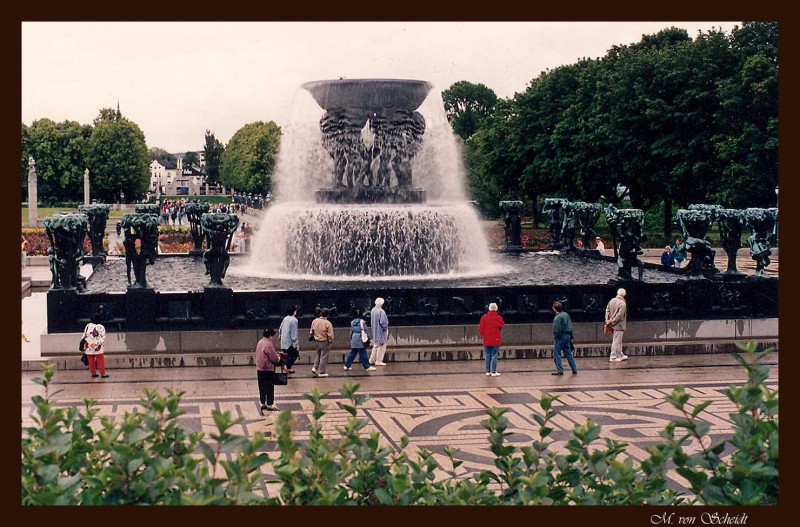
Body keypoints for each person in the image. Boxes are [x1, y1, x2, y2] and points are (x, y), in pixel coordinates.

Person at [255, 328, 284, 414]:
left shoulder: (260, 342)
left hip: (260, 367)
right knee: (270, 386)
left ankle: (262, 402)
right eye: (272, 336)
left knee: (262, 386)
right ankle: (270, 404)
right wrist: (278, 358)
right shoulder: (268, 344)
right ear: (270, 336)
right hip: (268, 368)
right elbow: (273, 358)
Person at [478, 302, 505, 377]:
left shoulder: (484, 317)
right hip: (495, 339)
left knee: (487, 355)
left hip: (487, 338)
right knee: (494, 355)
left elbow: (481, 329)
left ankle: (487, 371)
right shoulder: (498, 317)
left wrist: (484, 335)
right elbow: (501, 326)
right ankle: (493, 371)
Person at [551, 301, 577, 375]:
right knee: (568, 353)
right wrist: (571, 336)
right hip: (567, 336)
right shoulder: (566, 314)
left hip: (560, 336)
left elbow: (557, 330)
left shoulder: (557, 318)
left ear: (554, 309)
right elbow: (570, 325)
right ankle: (574, 369)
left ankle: (560, 370)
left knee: (557, 354)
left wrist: (556, 336)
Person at [605, 288, 629, 362]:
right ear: (624, 294)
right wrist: (613, 321)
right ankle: (613, 356)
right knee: (616, 341)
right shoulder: (623, 303)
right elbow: (620, 316)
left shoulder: (611, 300)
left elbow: (607, 310)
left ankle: (620, 355)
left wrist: (608, 320)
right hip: (619, 325)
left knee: (618, 340)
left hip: (611, 324)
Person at [83, 312, 109, 378]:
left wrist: (89, 343)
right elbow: (103, 337)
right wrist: (96, 343)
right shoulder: (101, 327)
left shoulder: (88, 326)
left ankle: (93, 373)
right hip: (98, 347)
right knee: (100, 360)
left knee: (90, 361)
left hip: (89, 346)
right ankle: (102, 373)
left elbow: (85, 335)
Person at [310, 308, 334, 377]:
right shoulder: (328, 323)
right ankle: (322, 372)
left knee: (318, 354)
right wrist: (330, 342)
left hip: (316, 340)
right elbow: (330, 334)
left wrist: (313, 337)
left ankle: (314, 367)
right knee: (324, 357)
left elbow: (311, 331)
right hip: (324, 341)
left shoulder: (314, 321)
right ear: (327, 315)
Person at [279, 306, 300, 373]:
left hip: (284, 339)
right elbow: (294, 332)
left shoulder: (285, 318)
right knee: (294, 354)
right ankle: (285, 365)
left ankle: (288, 367)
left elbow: (280, 328)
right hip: (290, 341)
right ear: (294, 312)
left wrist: (280, 335)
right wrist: (295, 342)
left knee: (287, 354)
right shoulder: (294, 320)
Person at [369, 297, 390, 366]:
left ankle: (372, 359)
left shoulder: (373, 310)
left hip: (375, 330)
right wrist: (385, 327)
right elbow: (383, 322)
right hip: (381, 331)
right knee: (382, 345)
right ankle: (379, 360)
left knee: (375, 345)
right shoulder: (381, 311)